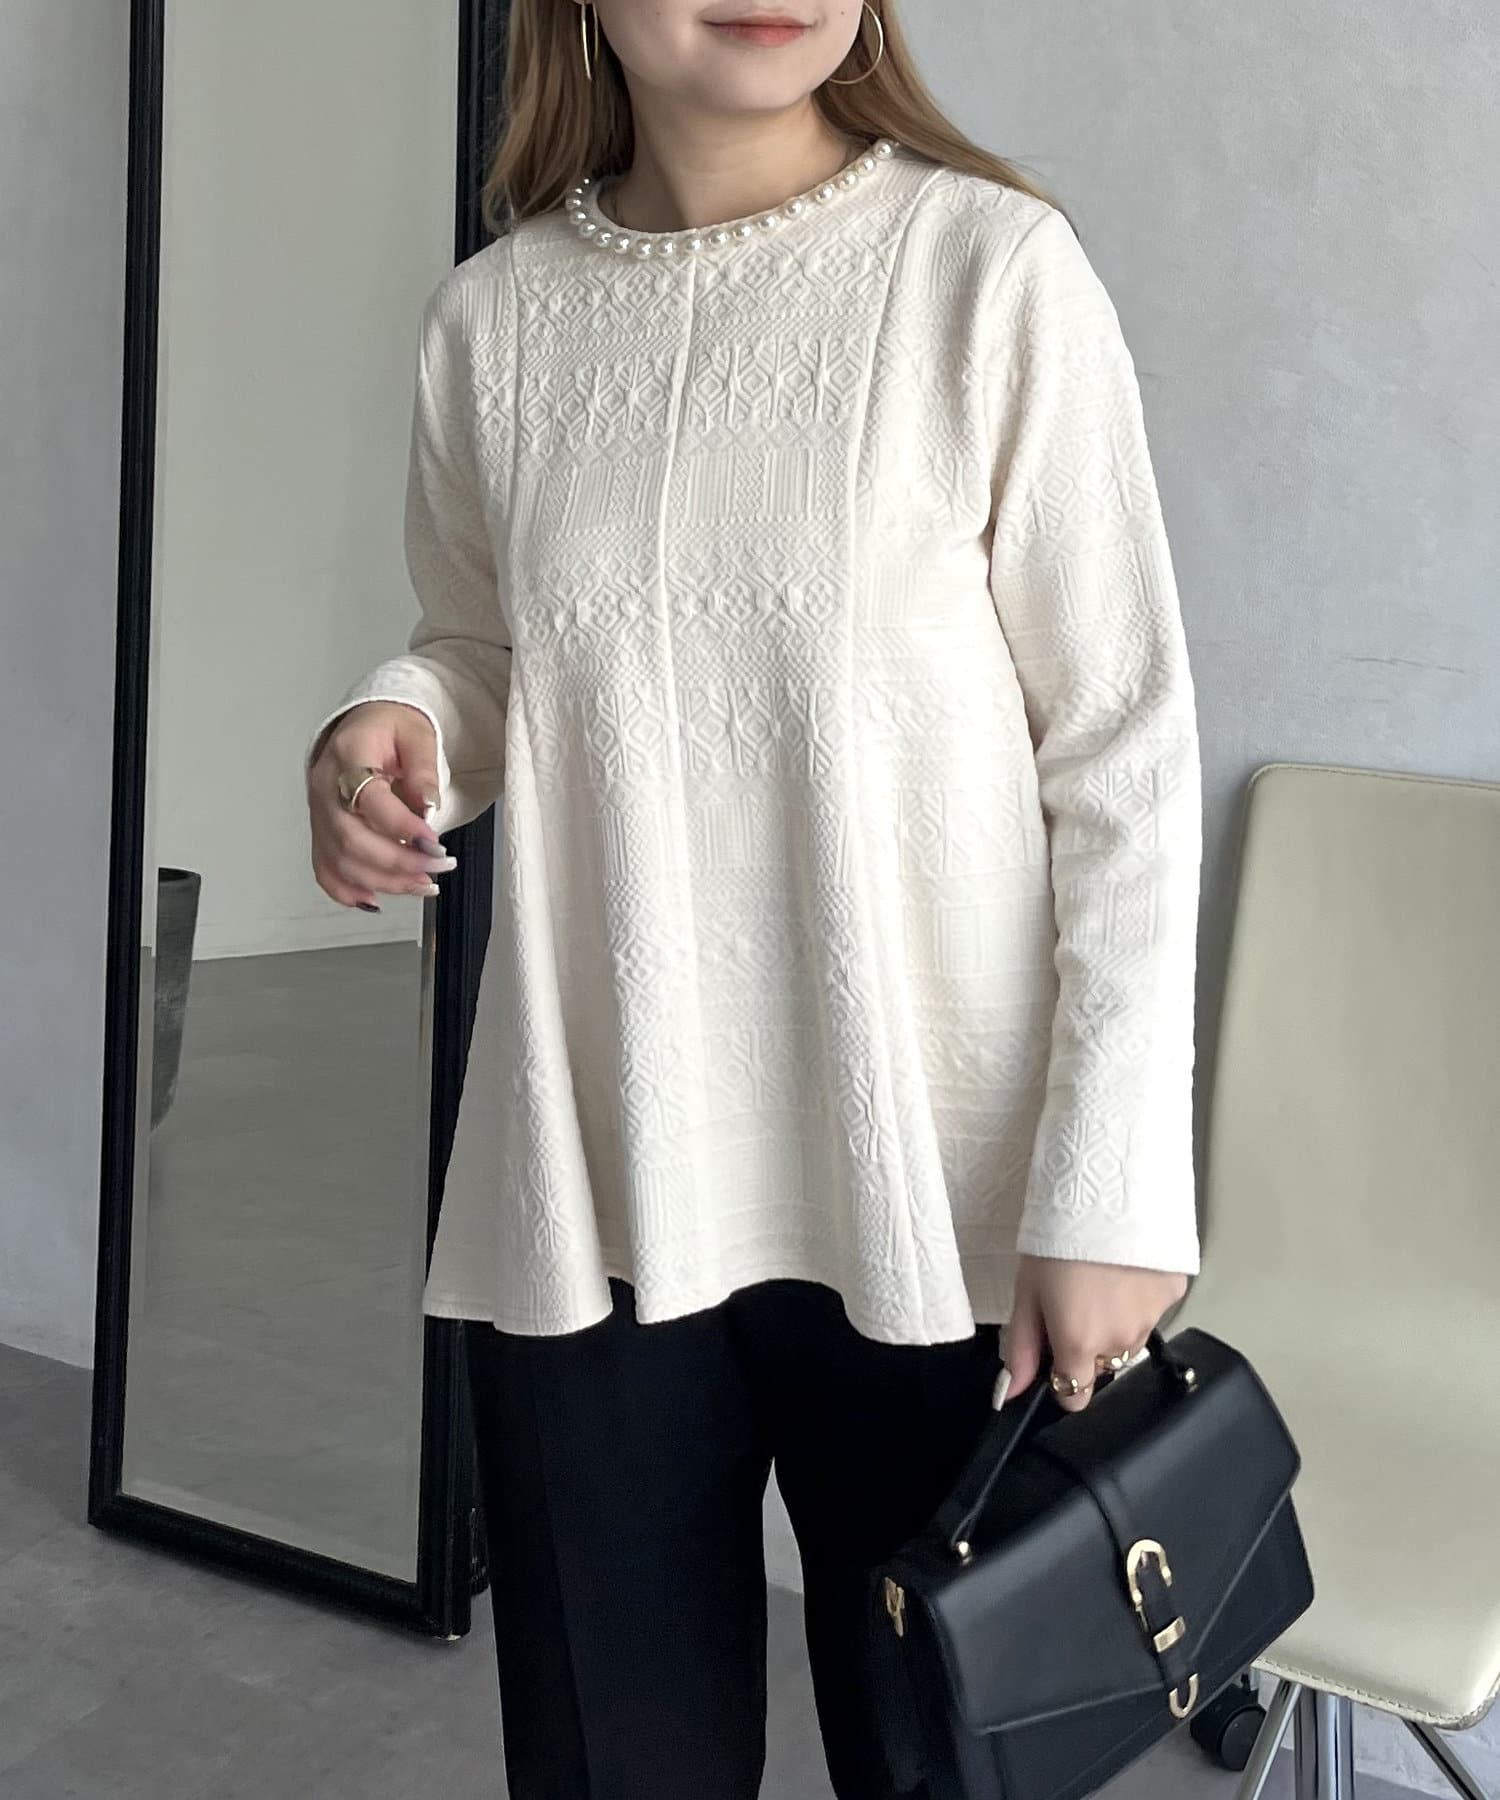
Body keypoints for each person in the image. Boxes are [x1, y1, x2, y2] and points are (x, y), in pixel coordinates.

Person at [304, 3, 1204, 1794]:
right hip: (596, 1174)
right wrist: (392, 728)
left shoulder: (986, 271)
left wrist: (1112, 1177)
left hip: (942, 1193)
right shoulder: (494, 320)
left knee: (945, 1761)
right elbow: (487, 645)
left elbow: (1123, 749)